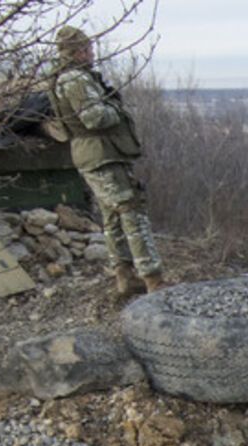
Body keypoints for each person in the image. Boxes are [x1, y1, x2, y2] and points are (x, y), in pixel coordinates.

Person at [47, 25, 164, 296]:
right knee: (131, 211)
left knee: (112, 216)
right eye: (87, 48)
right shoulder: (75, 79)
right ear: (77, 52)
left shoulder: (67, 78)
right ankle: (153, 280)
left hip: (96, 154)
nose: (92, 53)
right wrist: (117, 109)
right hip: (101, 154)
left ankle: (125, 278)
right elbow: (95, 118)